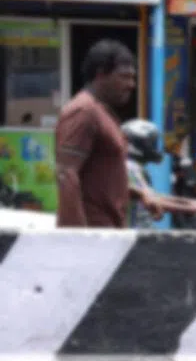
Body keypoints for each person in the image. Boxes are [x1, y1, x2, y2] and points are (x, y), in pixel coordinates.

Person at [56, 40, 159, 228]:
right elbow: (66, 174)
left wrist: (139, 193)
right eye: (124, 77)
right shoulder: (83, 111)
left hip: (110, 231)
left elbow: (99, 181)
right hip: (94, 237)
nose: (131, 85)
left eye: (133, 78)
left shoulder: (101, 111)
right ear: (101, 74)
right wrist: (76, 238)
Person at [122, 119, 196, 228]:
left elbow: (154, 196)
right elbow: (152, 200)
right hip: (135, 233)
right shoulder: (131, 167)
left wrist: (189, 202)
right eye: (151, 143)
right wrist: (188, 207)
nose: (155, 148)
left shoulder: (136, 167)